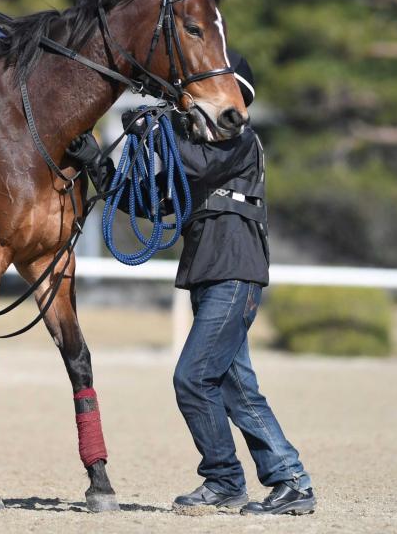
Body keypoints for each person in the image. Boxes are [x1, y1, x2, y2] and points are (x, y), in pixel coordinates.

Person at [68, 50, 316, 516]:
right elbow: (149, 202)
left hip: (233, 276)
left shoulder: (240, 141)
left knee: (192, 378)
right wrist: (97, 163)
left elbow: (197, 166)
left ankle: (228, 479)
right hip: (212, 277)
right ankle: (286, 480)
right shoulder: (199, 147)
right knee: (235, 387)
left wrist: (160, 130)